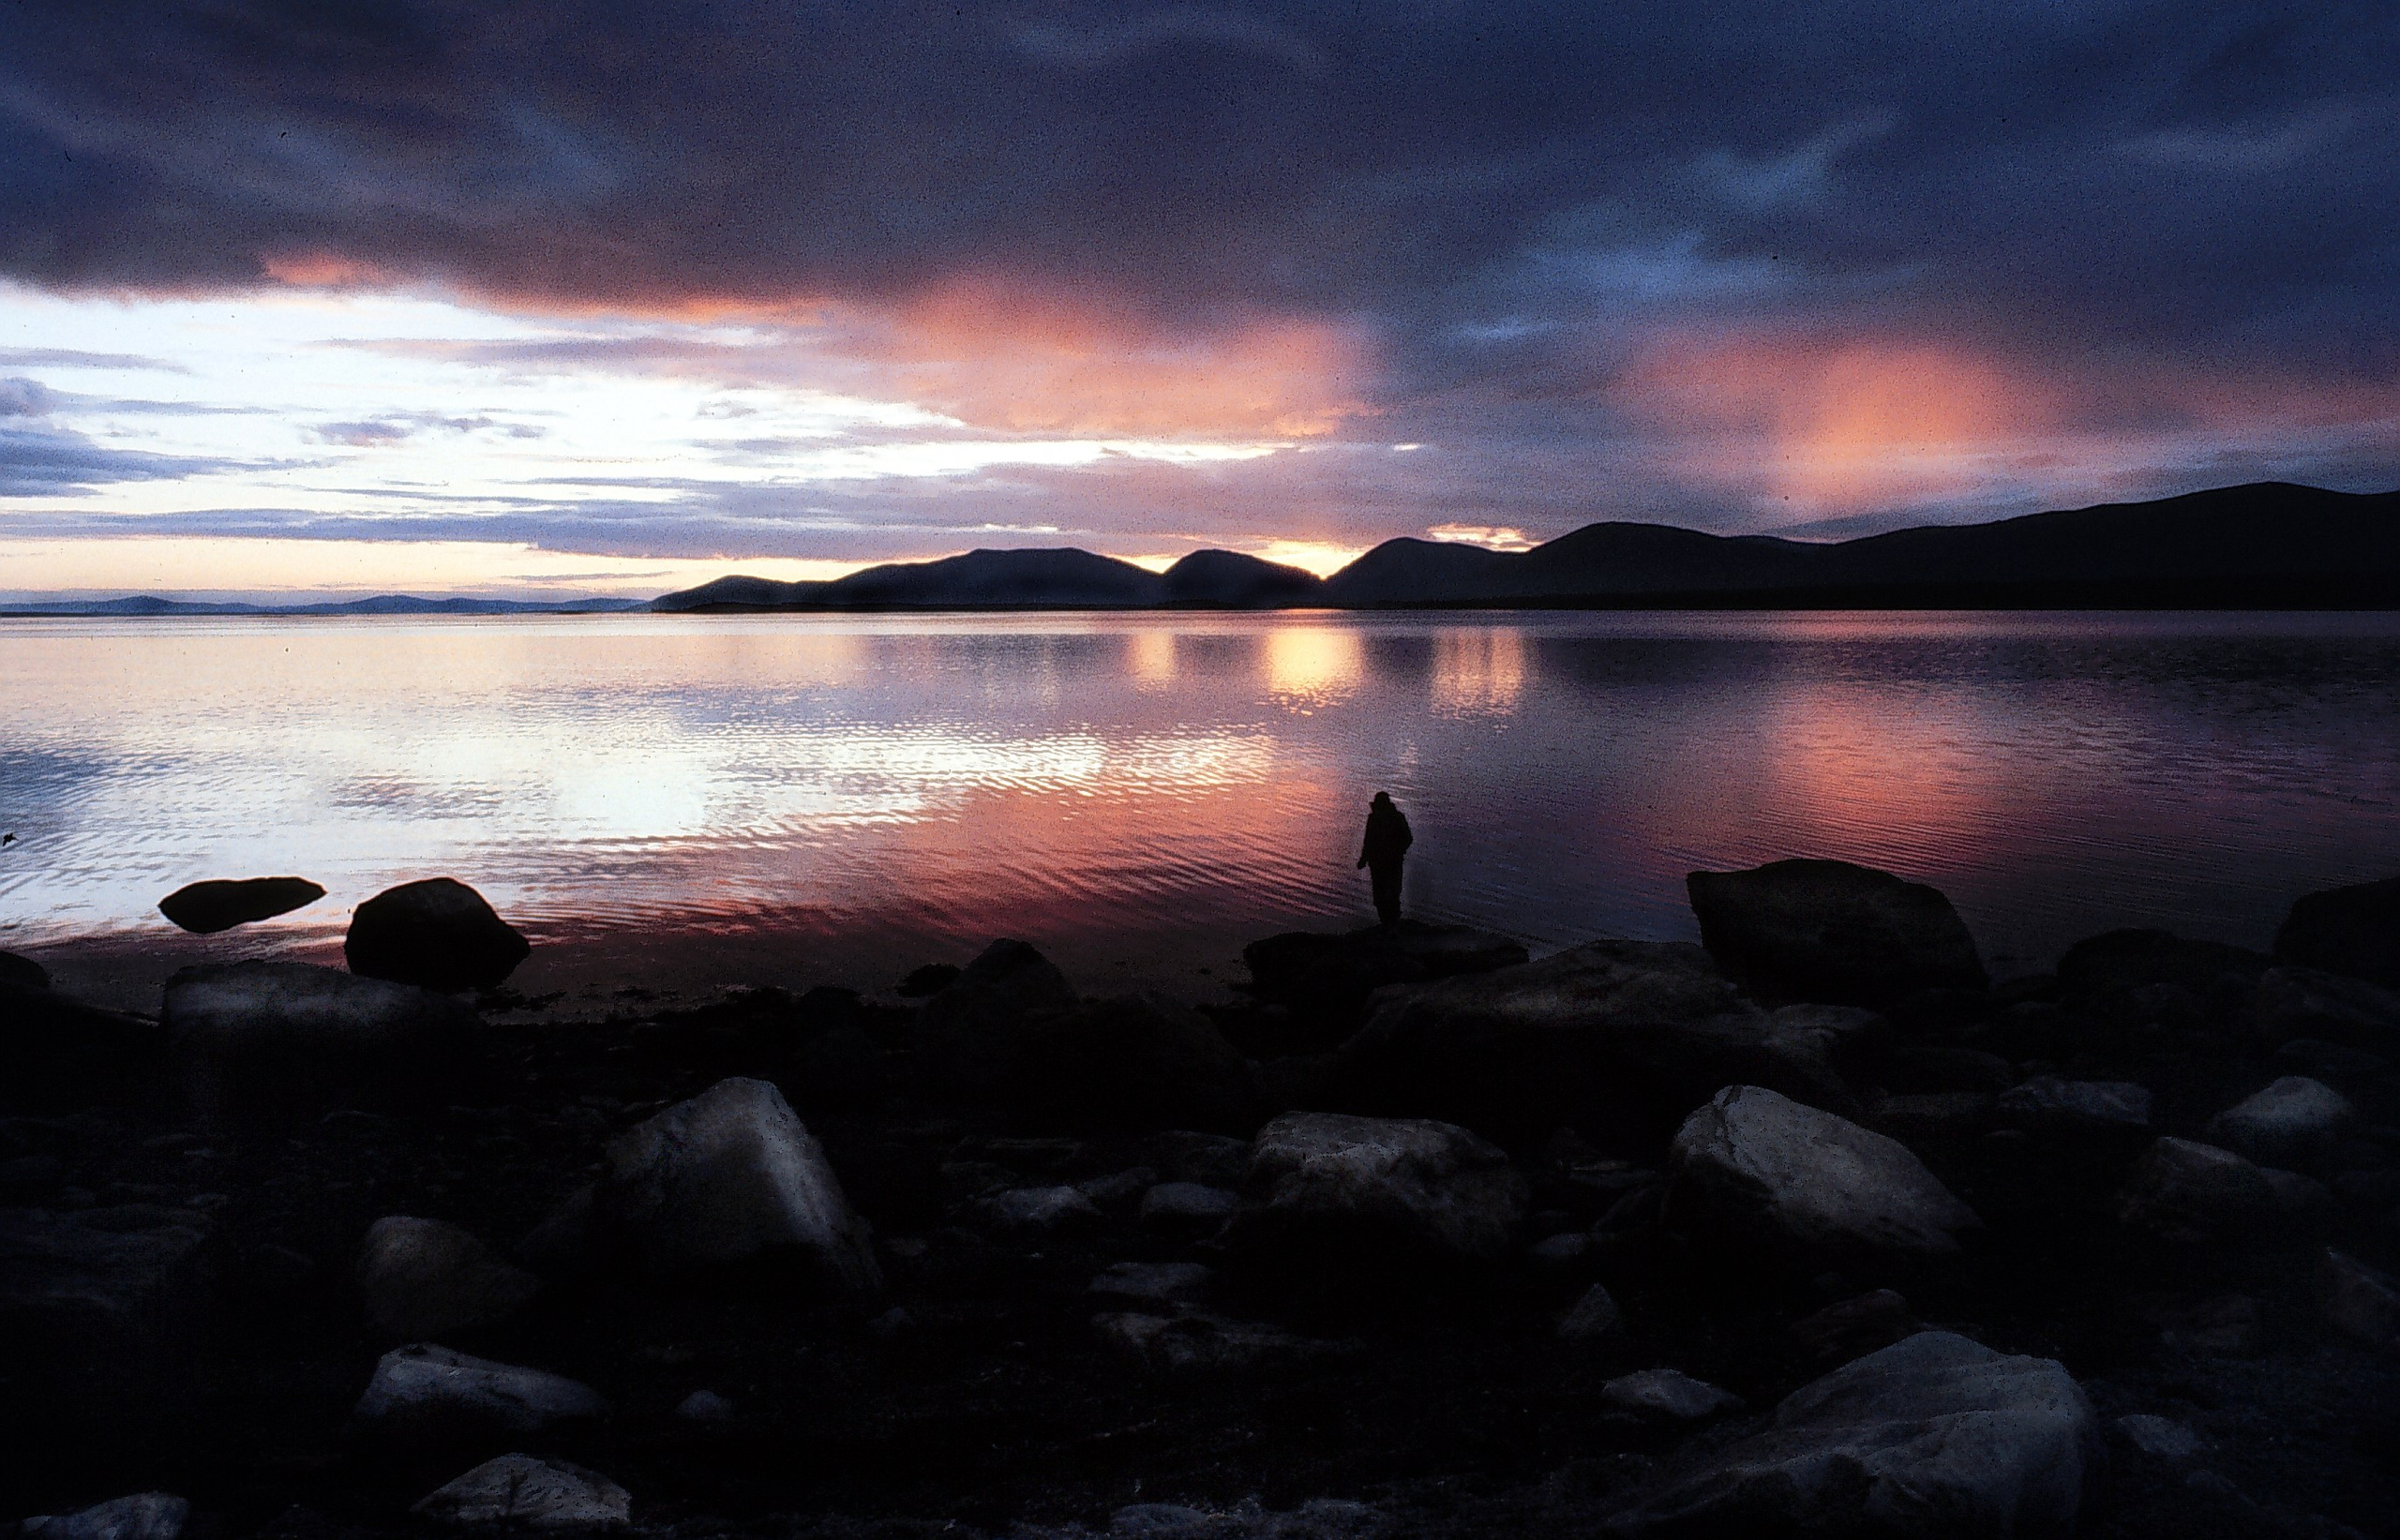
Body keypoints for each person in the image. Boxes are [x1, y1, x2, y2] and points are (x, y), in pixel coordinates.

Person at [1357, 791, 1413, 927]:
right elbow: (1368, 841)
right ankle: (1387, 924)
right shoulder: (1375, 819)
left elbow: (1408, 839)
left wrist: (1397, 851)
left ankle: (1391, 924)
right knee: (1383, 896)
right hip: (1380, 863)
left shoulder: (1395, 818)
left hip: (1390, 863)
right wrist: (1364, 859)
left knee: (1391, 894)